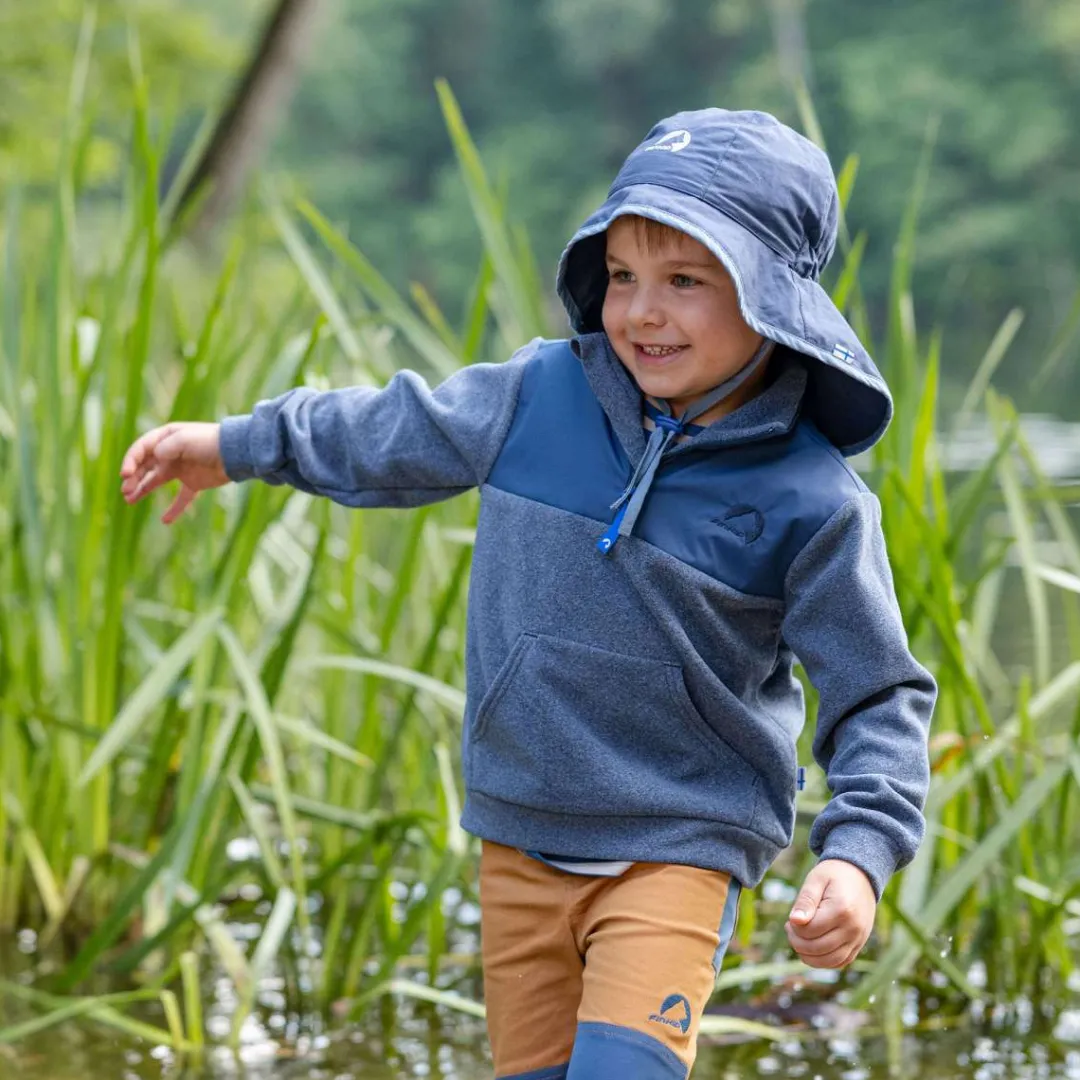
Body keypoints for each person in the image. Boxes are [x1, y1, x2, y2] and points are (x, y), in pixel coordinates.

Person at [121, 109, 937, 1080]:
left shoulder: (811, 500)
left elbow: (879, 693)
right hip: (521, 832)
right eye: (624, 276)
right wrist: (238, 445)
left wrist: (858, 852)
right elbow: (391, 429)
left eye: (686, 281)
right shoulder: (538, 395)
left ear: (770, 300)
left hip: (679, 841)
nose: (641, 312)